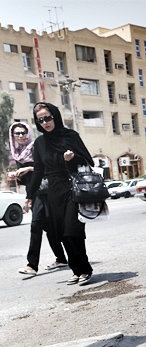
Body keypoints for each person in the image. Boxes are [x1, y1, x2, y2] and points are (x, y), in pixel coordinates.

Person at [27, 102, 94, 286]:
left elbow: (88, 160)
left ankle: (85, 269)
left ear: (55, 116)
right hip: (53, 192)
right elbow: (39, 170)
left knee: (73, 230)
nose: (45, 122)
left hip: (73, 188)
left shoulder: (70, 136)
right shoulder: (40, 143)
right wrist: (29, 195)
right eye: (40, 120)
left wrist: (72, 159)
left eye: (48, 117)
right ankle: (76, 270)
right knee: (61, 233)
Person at [8, 122, 68, 276]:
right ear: (13, 136)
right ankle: (61, 258)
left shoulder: (36, 146)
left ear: (28, 133)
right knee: (49, 228)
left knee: (36, 225)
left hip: (48, 191)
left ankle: (32, 266)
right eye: (17, 133)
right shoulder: (18, 153)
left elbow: (49, 167)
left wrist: (28, 168)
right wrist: (17, 175)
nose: (21, 136)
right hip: (35, 193)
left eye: (23, 132)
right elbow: (28, 179)